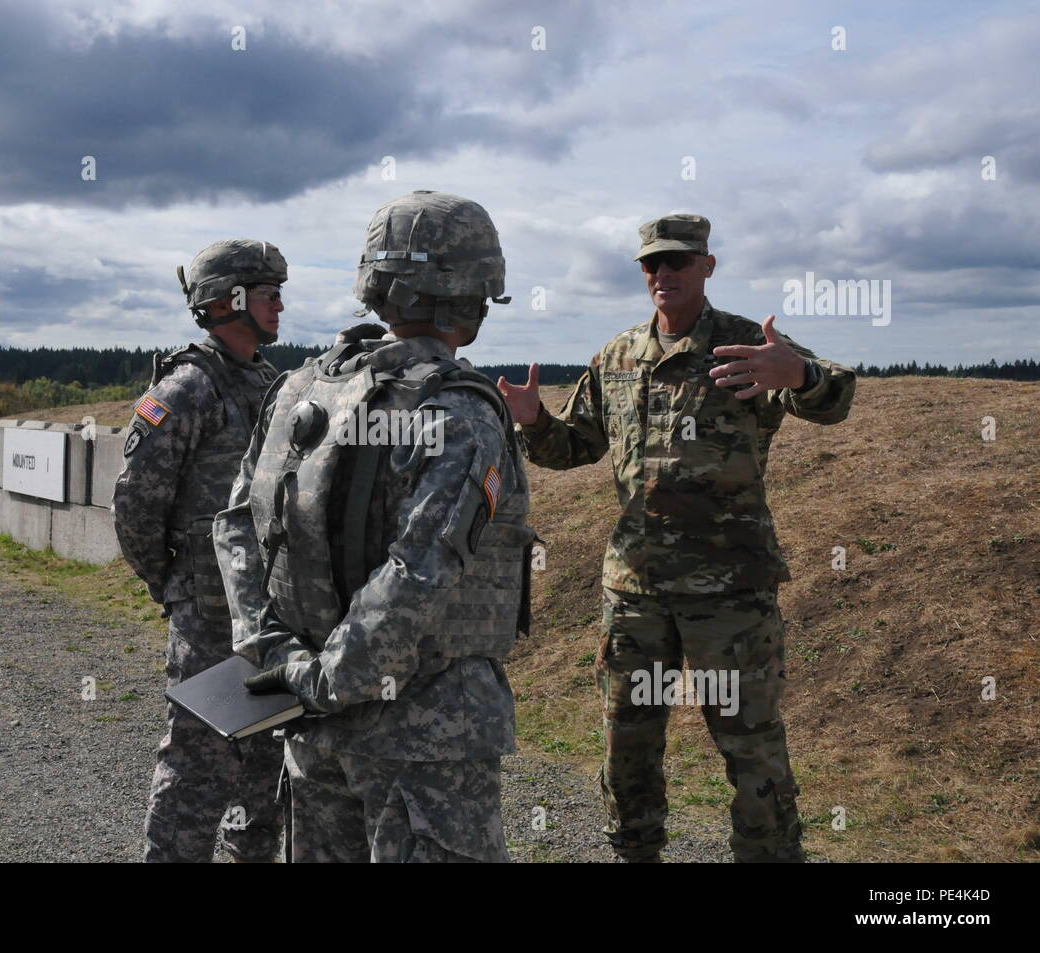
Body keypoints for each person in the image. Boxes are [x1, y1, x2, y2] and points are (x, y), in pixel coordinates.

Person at [498, 213, 855, 863]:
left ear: (707, 266)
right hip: (635, 593)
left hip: (730, 595)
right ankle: (634, 852)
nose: (663, 273)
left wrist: (798, 374)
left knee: (752, 747)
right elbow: (576, 445)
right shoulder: (617, 356)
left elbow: (837, 399)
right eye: (651, 263)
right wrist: (533, 422)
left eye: (679, 261)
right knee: (626, 747)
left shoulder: (747, 347)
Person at [214, 190, 536, 863]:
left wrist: (275, 655)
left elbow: (239, 527)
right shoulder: (460, 411)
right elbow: (418, 574)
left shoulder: (300, 390)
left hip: (310, 729)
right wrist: (329, 678)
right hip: (425, 743)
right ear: (473, 293)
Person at [112, 238, 287, 862]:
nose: (280, 308)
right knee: (198, 762)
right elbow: (135, 506)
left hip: (267, 613)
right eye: (269, 295)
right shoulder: (186, 389)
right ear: (230, 301)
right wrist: (176, 586)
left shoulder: (271, 385)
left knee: (267, 761)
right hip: (209, 612)